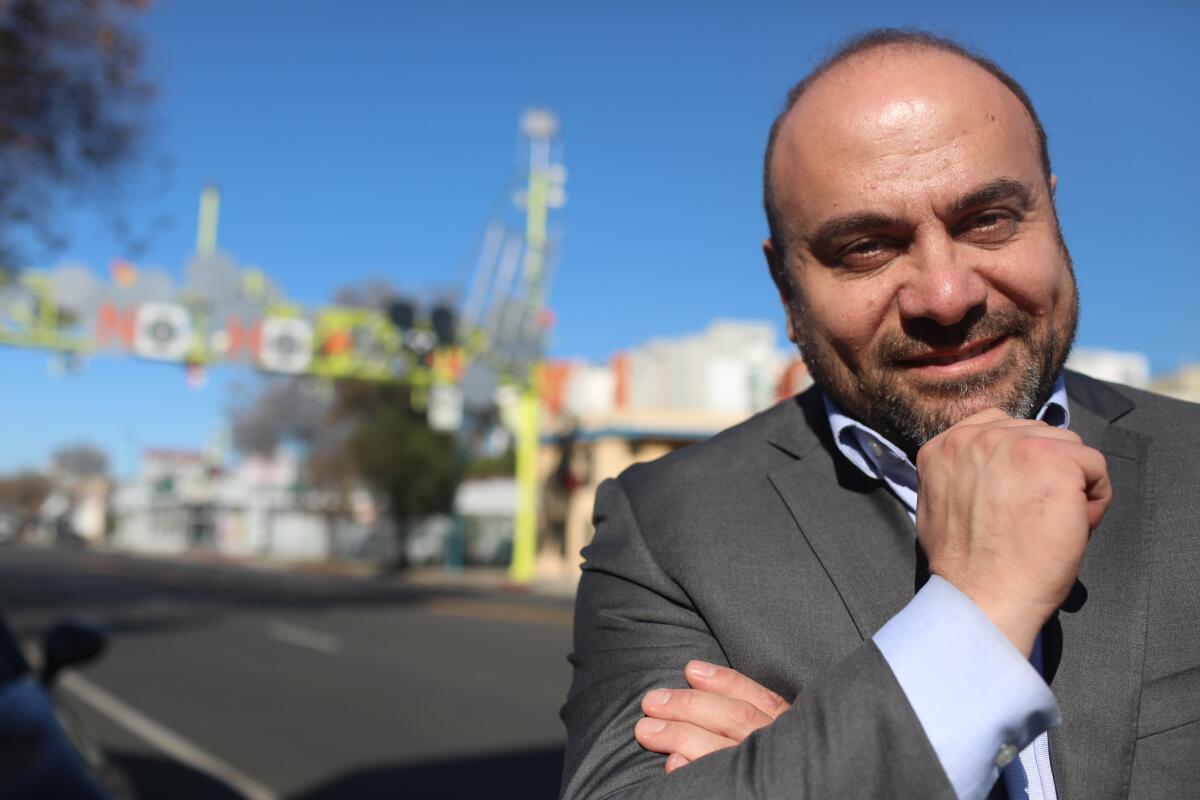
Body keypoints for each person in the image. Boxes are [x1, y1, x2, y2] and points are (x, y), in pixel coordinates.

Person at [560, 28, 1200, 800]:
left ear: (1053, 217)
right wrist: (977, 611)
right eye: (866, 247)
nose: (946, 295)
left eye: (989, 220)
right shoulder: (665, 526)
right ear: (785, 287)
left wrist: (806, 763)